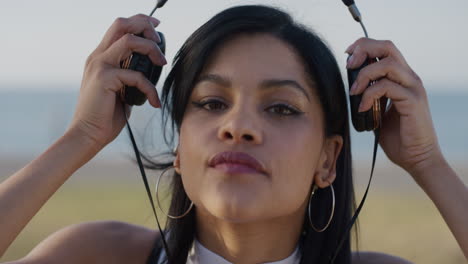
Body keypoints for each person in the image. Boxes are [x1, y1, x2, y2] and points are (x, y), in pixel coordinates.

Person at [0, 5, 466, 264]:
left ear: (328, 160)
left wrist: (429, 163)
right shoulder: (98, 256)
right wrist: (80, 136)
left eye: (281, 108)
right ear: (179, 147)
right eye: (211, 103)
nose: (238, 126)